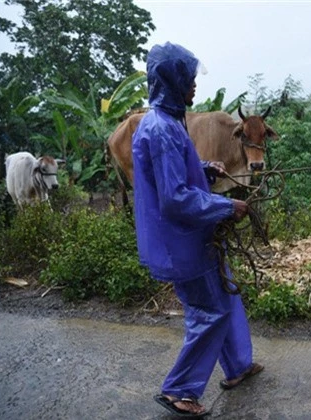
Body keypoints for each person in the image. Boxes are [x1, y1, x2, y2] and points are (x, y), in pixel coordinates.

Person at [132, 42, 264, 418]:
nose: (193, 86)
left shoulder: (169, 122)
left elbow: (175, 174)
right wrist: (226, 205)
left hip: (197, 235)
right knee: (209, 310)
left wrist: (205, 168)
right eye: (188, 79)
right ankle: (179, 389)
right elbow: (174, 198)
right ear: (172, 81)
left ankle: (238, 365)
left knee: (227, 296)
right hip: (182, 240)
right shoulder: (159, 130)